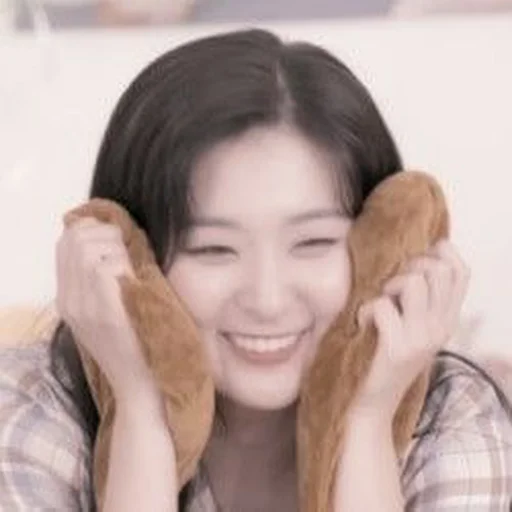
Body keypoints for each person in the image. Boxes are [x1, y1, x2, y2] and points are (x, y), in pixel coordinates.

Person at [1, 28, 511, 511]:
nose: (268, 301)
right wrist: (141, 413)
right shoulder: (27, 410)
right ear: (135, 259)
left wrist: (366, 422)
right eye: (213, 250)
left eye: (313, 243)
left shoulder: (453, 419)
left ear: (385, 251)